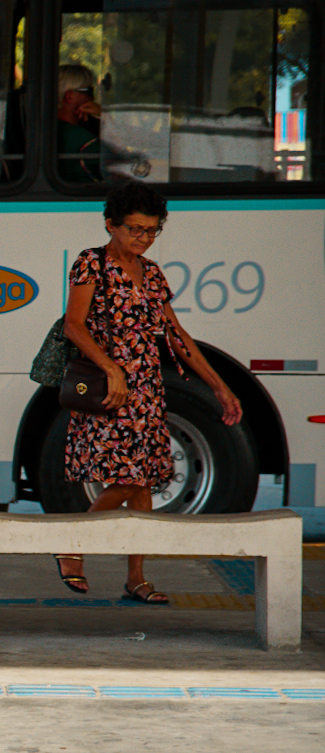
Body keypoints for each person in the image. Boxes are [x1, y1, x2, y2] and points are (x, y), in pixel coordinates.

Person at [52, 185, 244, 605]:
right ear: (111, 225)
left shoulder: (152, 272)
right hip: (110, 390)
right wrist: (111, 369)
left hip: (146, 391)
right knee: (127, 478)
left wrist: (220, 386)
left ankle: (135, 577)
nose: (143, 238)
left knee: (143, 486)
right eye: (135, 229)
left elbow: (177, 336)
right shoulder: (92, 263)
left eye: (151, 231)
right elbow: (74, 326)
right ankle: (70, 545)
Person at [56, 63, 104, 184]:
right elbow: (125, 168)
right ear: (70, 96)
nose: (92, 99)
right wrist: (107, 117)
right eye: (89, 91)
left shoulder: (54, 127)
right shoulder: (87, 143)